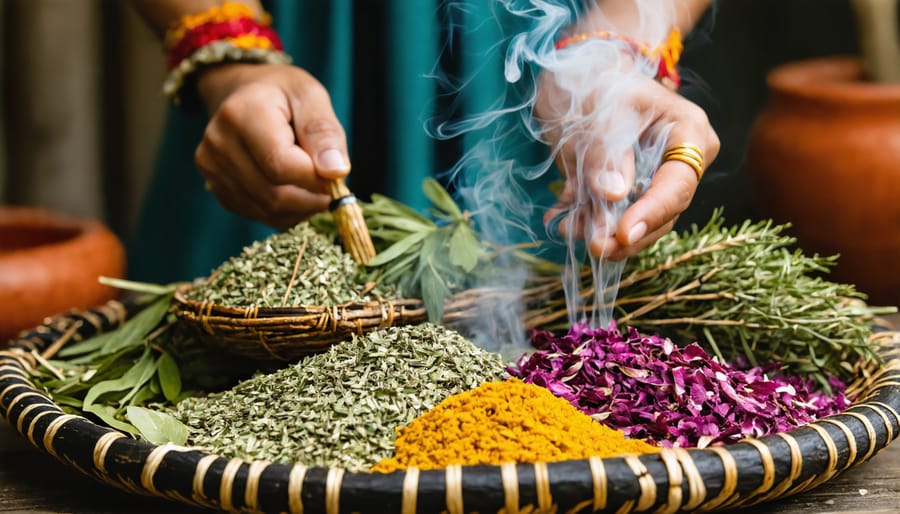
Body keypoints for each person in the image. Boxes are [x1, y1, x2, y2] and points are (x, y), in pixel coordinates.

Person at [130, 0, 719, 284]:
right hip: (291, 46)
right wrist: (235, 62)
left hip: (545, 51)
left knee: (545, 368)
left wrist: (608, 59)